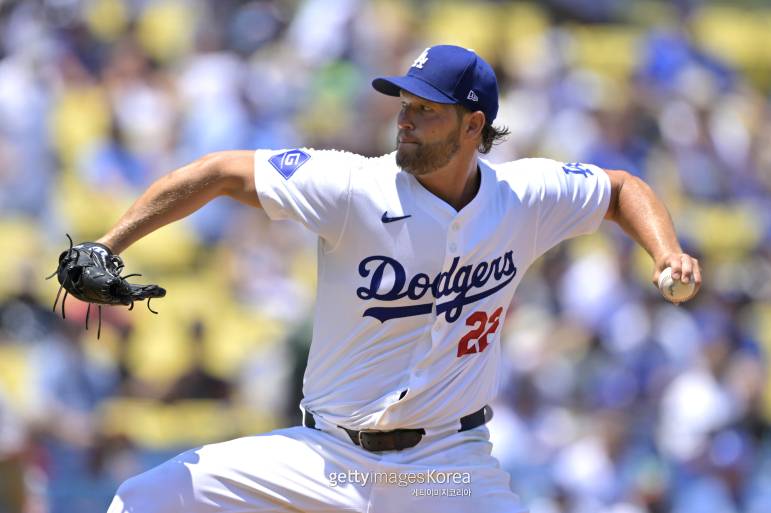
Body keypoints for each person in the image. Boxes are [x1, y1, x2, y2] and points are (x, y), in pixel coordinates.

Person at [100, 45, 701, 513]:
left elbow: (621, 189)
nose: (405, 121)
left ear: (474, 125)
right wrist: (109, 245)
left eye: (426, 110)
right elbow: (220, 172)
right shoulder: (353, 187)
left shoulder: (525, 196)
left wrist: (666, 251)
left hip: (451, 464)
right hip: (328, 456)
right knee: (142, 499)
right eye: (404, 105)